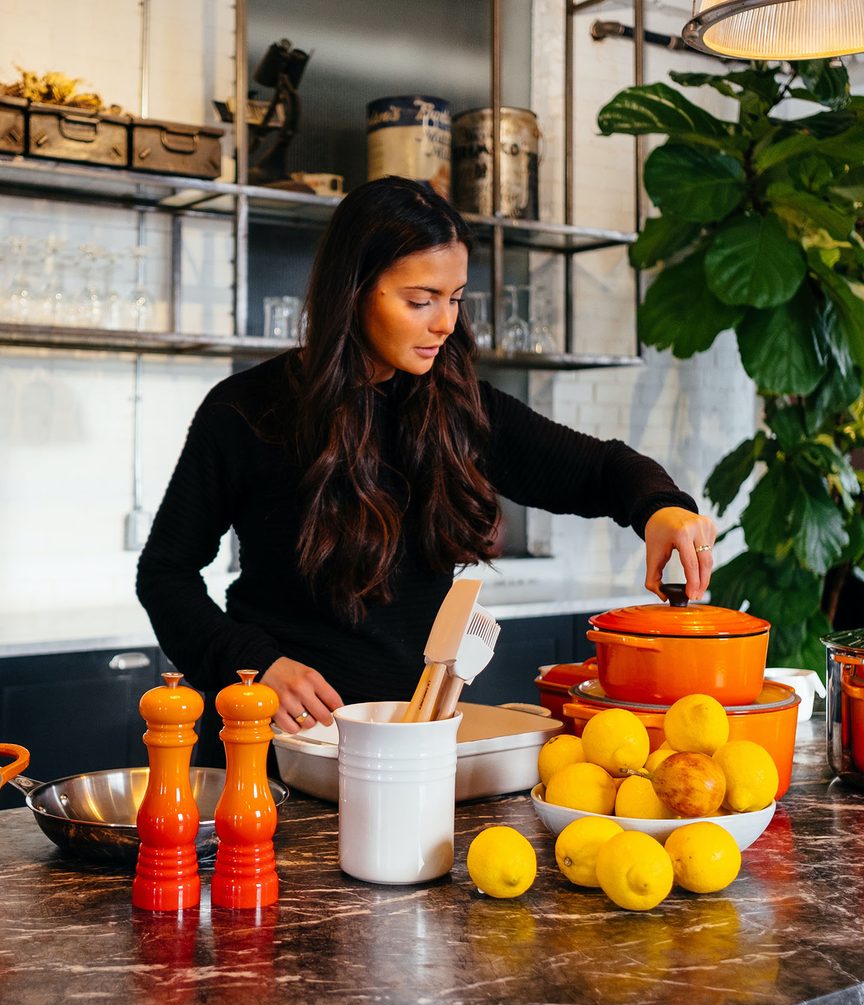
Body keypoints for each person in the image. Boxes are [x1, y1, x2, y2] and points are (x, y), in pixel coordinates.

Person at [136, 176, 716, 766]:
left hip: (414, 747)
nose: (445, 323)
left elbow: (601, 470)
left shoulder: (460, 407)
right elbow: (164, 574)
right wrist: (256, 665)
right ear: (354, 290)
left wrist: (661, 507)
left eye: (455, 297)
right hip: (273, 751)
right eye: (420, 300)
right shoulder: (245, 412)